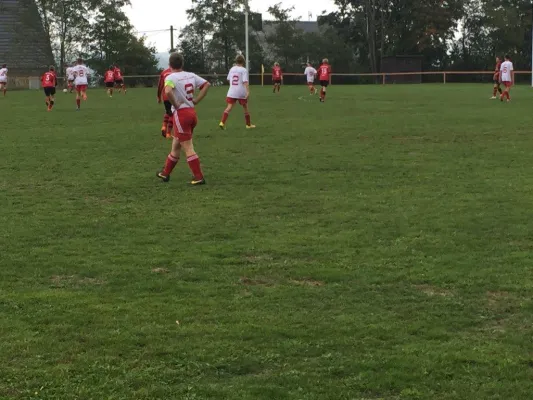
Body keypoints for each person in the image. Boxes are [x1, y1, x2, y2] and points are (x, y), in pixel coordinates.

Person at [156, 52, 210, 185]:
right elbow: (206, 84)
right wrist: (196, 99)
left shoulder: (171, 77)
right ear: (182, 63)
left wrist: (175, 104)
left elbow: (167, 91)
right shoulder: (190, 75)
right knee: (176, 144)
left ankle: (199, 177)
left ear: (170, 64)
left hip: (181, 115)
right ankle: (165, 173)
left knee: (187, 147)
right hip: (192, 113)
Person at [219, 54, 256, 130]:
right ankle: (248, 125)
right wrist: (248, 91)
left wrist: (232, 86)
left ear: (236, 61)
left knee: (229, 107)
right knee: (245, 107)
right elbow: (245, 81)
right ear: (243, 61)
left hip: (232, 91)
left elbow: (229, 79)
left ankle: (222, 122)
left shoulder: (232, 69)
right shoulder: (244, 70)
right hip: (241, 91)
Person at [157, 66, 174, 138]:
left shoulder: (164, 72)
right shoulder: (177, 72)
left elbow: (160, 86)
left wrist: (158, 96)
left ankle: (164, 126)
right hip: (174, 96)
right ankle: (168, 133)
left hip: (165, 96)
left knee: (168, 111)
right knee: (172, 114)